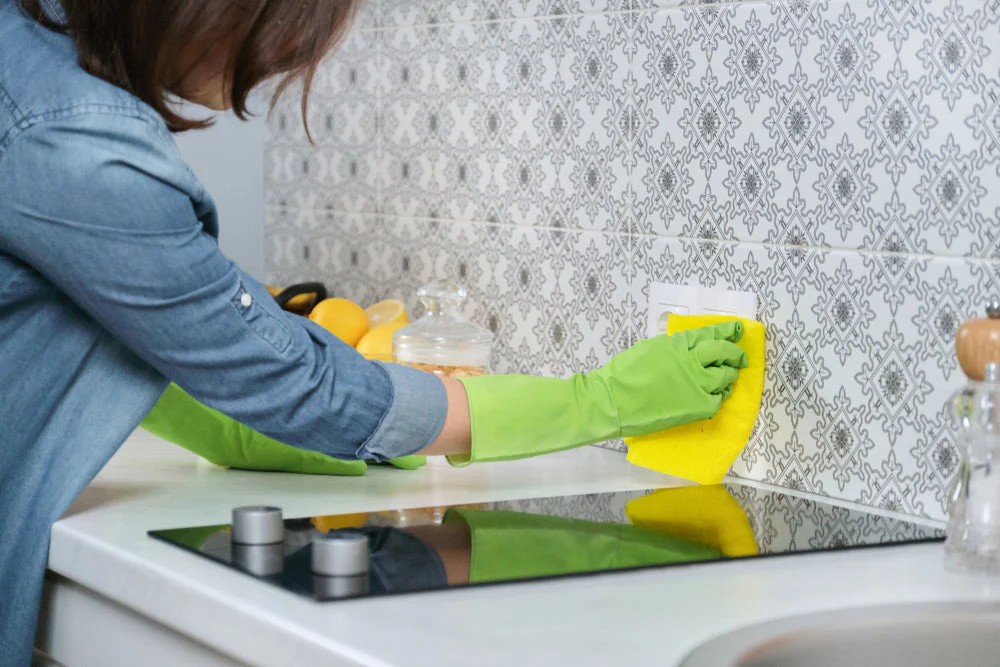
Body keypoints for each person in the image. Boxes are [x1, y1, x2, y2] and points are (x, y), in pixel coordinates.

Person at [0, 0, 748, 663]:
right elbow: (304, 386)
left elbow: (135, 330)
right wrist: (596, 401)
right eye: (278, 37)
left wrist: (259, 421)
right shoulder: (79, 143)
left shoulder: (25, 60)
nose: (272, 72)